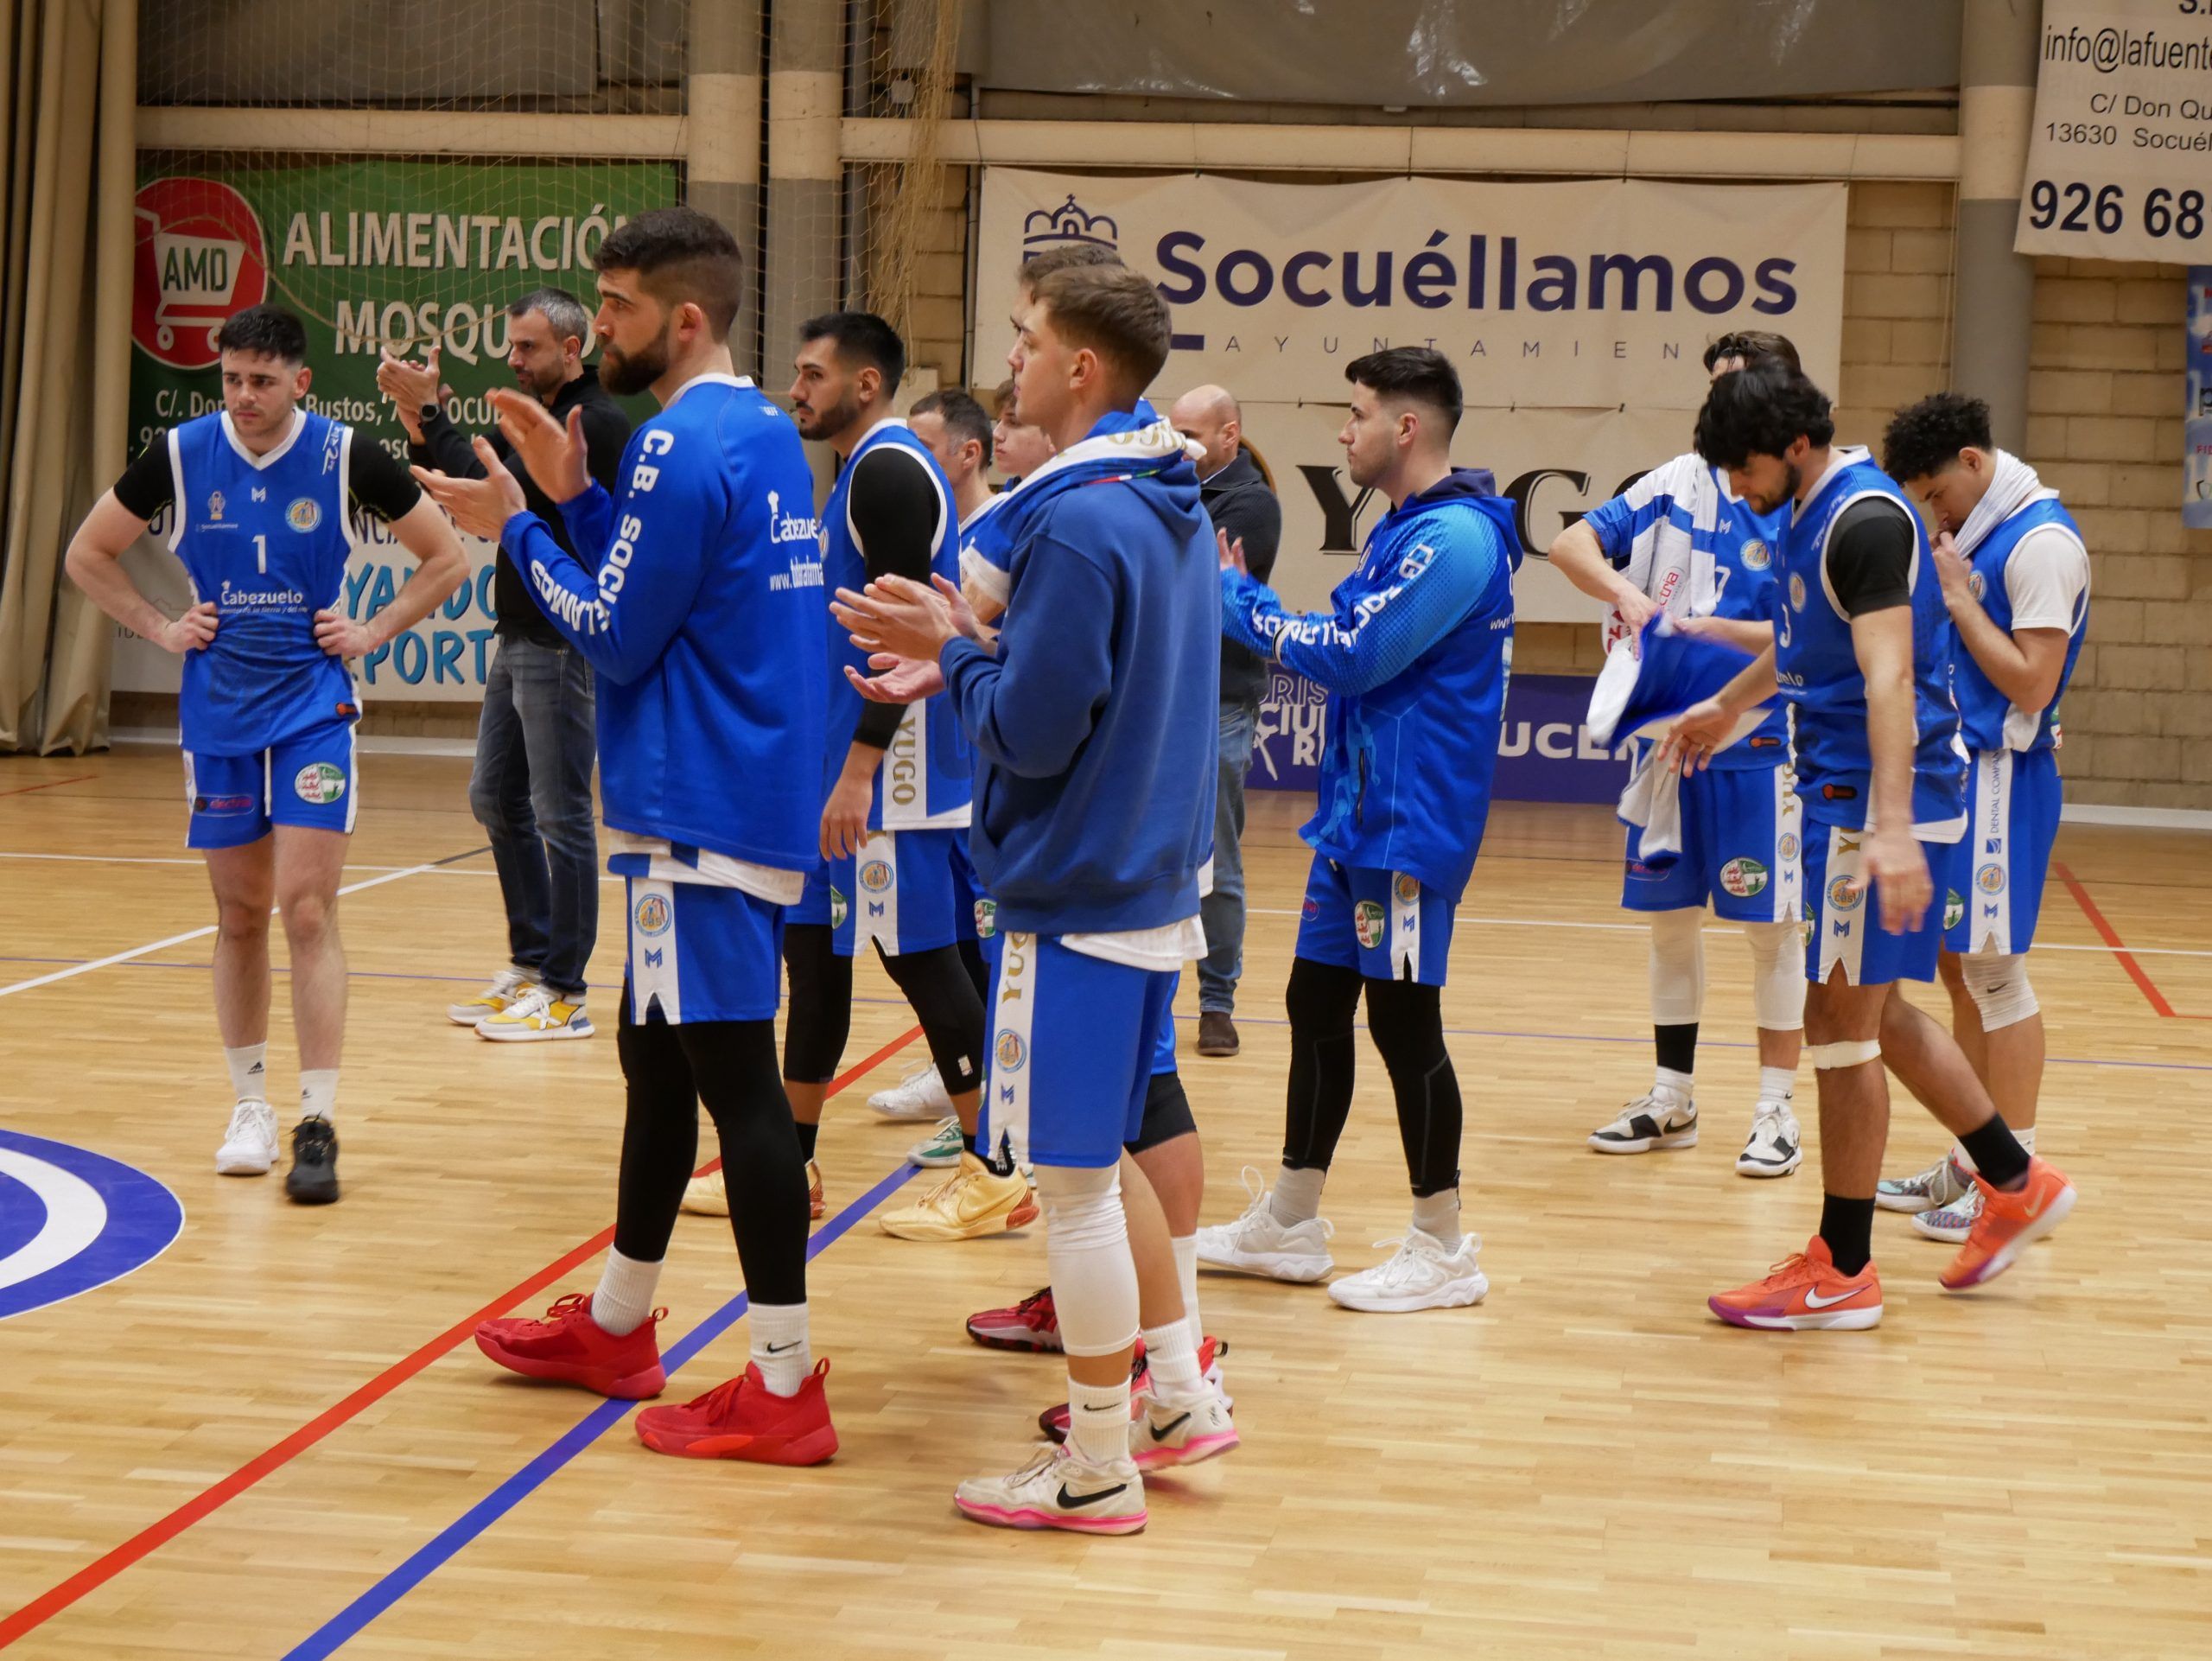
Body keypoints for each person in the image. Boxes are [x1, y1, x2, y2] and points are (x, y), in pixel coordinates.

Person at [416, 207, 838, 1464]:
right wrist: (573, 497)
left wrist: (518, 526)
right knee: (654, 1059)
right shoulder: (757, 431)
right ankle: (615, 1324)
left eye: (616, 308)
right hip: (734, 788)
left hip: (697, 801)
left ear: (685, 319)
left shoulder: (675, 441)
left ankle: (783, 1384)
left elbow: (610, 629)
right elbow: (664, 587)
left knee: (738, 1086)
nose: (598, 326)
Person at [832, 259, 1232, 1534]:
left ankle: (1099, 1461)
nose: (1009, 361)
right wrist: (968, 644)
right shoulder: (1159, 497)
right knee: (1104, 1163)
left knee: (1072, 1188)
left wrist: (948, 653)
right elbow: (1086, 679)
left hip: (1082, 887)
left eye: (1025, 339)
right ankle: (1177, 1397)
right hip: (1143, 874)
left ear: (1082, 368)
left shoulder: (1072, 522)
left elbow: (1036, 730)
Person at [1667, 362, 2077, 1329]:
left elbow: (1888, 677)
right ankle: (2015, 1180)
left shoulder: (1864, 520)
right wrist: (1725, 706)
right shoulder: (1810, 511)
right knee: (1874, 1015)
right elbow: (1805, 641)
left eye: (1744, 468)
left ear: (1795, 445)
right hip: (1849, 797)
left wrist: (1890, 828)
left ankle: (1843, 1267)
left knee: (1841, 1025)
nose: (1737, 487)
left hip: (1877, 801)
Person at [64, 304, 467, 1204]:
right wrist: (160, 626)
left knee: (307, 909)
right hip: (219, 714)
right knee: (240, 912)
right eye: (231, 379)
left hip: (313, 710)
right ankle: (249, 1105)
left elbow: (445, 558)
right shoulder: (180, 454)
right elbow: (88, 554)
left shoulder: (345, 455)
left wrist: (372, 629)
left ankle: (317, 1118)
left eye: (261, 380)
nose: (243, 396)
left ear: (300, 382)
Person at [1194, 347, 1518, 1314]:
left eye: (1357, 413)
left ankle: (1442, 1245)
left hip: (1409, 824)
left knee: (1405, 1024)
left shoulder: (1452, 538)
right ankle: (1291, 1221)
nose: (1344, 431)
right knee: (1314, 1001)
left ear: (1405, 428)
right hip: (1357, 818)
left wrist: (1240, 601)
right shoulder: (1402, 528)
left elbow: (1354, 653)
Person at [700, 314, 1023, 1242]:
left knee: (922, 961)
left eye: (812, 375)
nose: (795, 390)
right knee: (814, 962)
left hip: (892, 775)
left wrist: (858, 774)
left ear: (867, 382)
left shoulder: (886, 472)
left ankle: (996, 1169)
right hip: (844, 767)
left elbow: (903, 639)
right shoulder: (855, 473)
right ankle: (789, 1161)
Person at [1547, 331, 1807, 1177]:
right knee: (1668, 925)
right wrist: (1630, 597)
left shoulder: (1799, 497)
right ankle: (1673, 1096)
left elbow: (1814, 637)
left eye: (1739, 388)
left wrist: (1716, 638)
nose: (1722, 404)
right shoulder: (1675, 480)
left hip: (1760, 744)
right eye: (1714, 388)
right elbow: (1570, 544)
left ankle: (1776, 1109)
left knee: (1772, 931)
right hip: (1668, 744)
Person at [378, 289, 632, 1041]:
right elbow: (461, 481)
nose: (514, 359)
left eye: (528, 347)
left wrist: (435, 417)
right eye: (511, 345)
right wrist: (421, 421)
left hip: (565, 641)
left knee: (561, 813)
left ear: (572, 348)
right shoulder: (531, 415)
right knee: (494, 795)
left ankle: (565, 990)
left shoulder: (592, 423)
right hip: (519, 633)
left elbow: (500, 496)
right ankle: (531, 963)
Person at [1872, 393, 2090, 1241]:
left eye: (1937, 493)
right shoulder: (1979, 530)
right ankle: (1973, 1158)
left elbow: (2033, 684)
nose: (1935, 511)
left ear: (1971, 462)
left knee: (1996, 975)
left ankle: (2017, 1176)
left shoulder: (2041, 542)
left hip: (2004, 777)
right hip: (1962, 776)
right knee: (1960, 970)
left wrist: (1960, 600)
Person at [892, 387, 1007, 1162]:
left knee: (980, 950)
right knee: (954, 946)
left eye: (925, 448)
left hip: (975, 771)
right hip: (932, 772)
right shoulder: (938, 531)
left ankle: (991, 1106)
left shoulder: (1002, 528)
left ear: (969, 453)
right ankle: (961, 1076)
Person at [1168, 385, 1281, 1060]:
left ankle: (1217, 1002)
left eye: (1192, 434)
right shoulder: (1172, 487)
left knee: (1217, 856)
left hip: (1220, 700)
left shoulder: (1251, 503)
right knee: (1151, 850)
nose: (1178, 444)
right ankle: (1149, 993)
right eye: (1172, 431)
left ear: (1229, 435)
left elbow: (1191, 583)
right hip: (1156, 697)